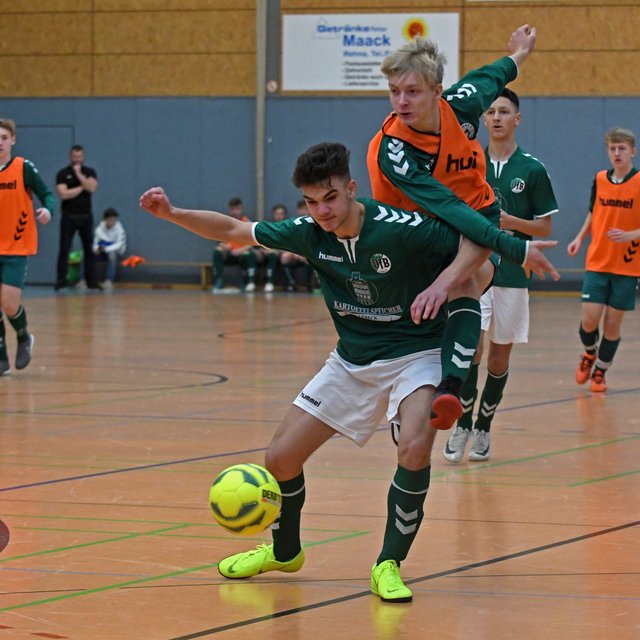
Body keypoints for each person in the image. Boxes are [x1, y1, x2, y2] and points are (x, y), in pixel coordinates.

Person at [140, 142, 558, 603]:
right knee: (280, 458)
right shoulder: (309, 233)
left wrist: (503, 256)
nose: (322, 211)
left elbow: (475, 242)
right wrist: (172, 213)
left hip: (417, 352)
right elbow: (234, 229)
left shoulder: (402, 228)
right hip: (353, 360)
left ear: (351, 188)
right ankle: (284, 552)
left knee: (415, 446)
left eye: (331, 198)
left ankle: (388, 563)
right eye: (311, 202)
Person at [368, 24, 538, 431]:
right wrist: (512, 247)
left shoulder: (461, 103)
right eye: (394, 91)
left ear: (437, 92)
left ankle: (450, 389)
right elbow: (445, 206)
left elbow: (495, 74)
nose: (401, 101)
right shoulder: (396, 150)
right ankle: (407, 403)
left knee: (467, 281)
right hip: (415, 229)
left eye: (412, 91)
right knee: (416, 318)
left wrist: (520, 51)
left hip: (475, 215)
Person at [443, 88, 558, 463]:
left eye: (504, 111)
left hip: (512, 274)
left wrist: (509, 222)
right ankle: (462, 425)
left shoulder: (532, 169)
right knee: (470, 350)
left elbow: (544, 227)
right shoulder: (467, 163)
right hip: (473, 271)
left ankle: (484, 428)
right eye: (490, 111)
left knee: (498, 360)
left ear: (517, 119)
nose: (496, 117)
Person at [567, 127, 640, 393]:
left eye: (622, 148)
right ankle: (589, 353)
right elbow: (593, 212)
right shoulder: (600, 179)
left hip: (627, 266)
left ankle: (600, 371)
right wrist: (579, 237)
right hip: (597, 261)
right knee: (589, 320)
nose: (617, 153)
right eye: (613, 148)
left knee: (612, 324)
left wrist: (631, 235)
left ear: (632, 151)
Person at [0, 118, 55, 375]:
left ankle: (23, 337)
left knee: (9, 303)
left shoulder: (23, 167)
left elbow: (47, 194)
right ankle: (1, 357)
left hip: (16, 246)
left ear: (13, 140)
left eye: (4, 138)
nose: (0, 143)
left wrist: (48, 210)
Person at [55, 144, 100, 291]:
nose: (77, 159)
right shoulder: (63, 173)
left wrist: (79, 175)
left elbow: (92, 187)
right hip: (69, 216)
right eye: (74, 157)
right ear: (70, 157)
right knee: (64, 248)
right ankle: (61, 280)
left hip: (86, 216)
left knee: (89, 249)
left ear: (83, 157)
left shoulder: (89, 172)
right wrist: (82, 187)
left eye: (79, 156)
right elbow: (64, 194)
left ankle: (91, 281)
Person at [211, 197, 262, 293]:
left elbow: (253, 243)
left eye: (237, 209)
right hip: (229, 252)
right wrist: (224, 246)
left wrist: (241, 250)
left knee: (248, 255)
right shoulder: (225, 222)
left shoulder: (247, 222)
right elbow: (218, 239)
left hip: (242, 252)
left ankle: (249, 282)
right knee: (217, 251)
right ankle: (219, 281)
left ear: (241, 209)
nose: (235, 212)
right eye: (232, 209)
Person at [270, 203, 314, 292]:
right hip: (293, 252)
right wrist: (295, 253)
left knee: (309, 258)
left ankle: (309, 284)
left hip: (307, 252)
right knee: (285, 257)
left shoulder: (314, 224)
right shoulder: (293, 224)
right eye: (301, 209)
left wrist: (303, 254)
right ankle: (291, 283)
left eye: (305, 209)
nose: (303, 212)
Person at [93, 207, 127, 290]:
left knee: (112, 255)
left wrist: (106, 249)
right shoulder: (99, 229)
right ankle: (87, 280)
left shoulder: (120, 230)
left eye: (115, 220)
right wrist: (96, 249)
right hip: (102, 250)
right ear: (105, 220)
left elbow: (119, 245)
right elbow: (95, 242)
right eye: (110, 220)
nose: (113, 222)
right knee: (88, 254)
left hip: (116, 251)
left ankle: (109, 281)